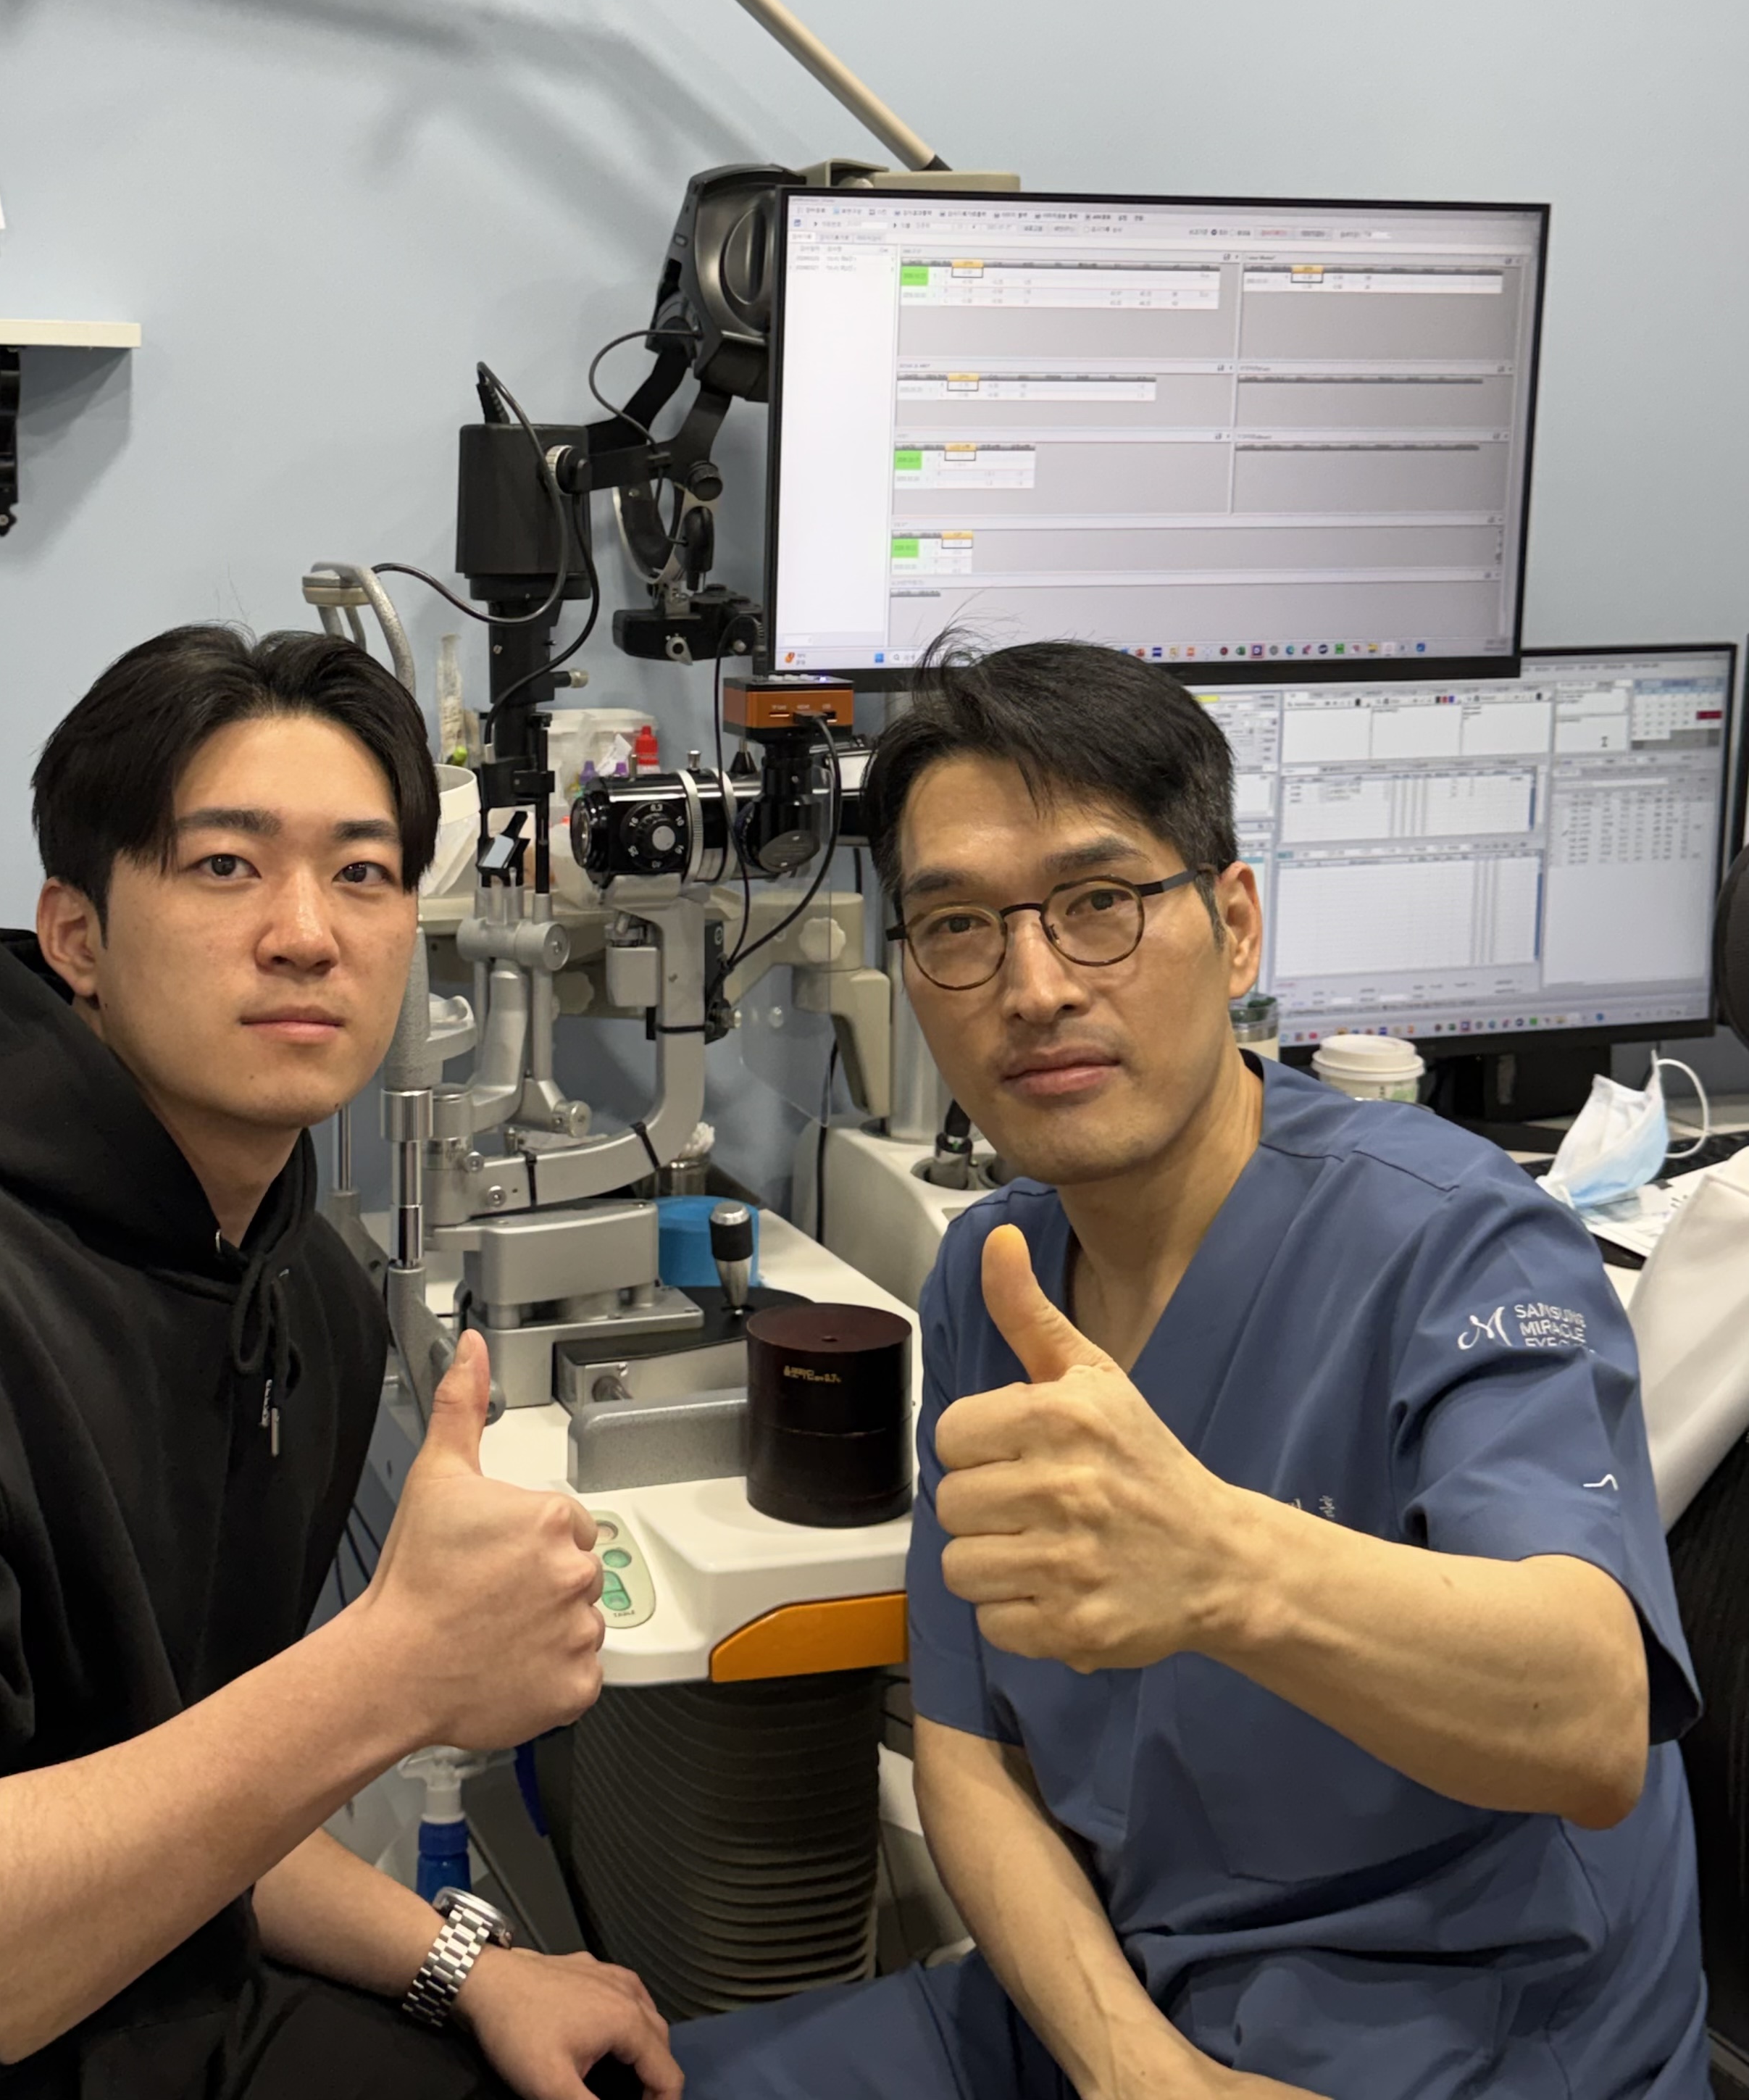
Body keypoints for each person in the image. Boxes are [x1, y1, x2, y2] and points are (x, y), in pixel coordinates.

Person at [0, 624, 679, 2100]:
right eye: (225, 865)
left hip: (111, 1989)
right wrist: (388, 1674)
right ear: (77, 936)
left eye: (362, 873)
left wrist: (467, 1962)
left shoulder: (297, 1288)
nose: (307, 931)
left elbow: (173, 1783)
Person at [675, 638, 1705, 2099]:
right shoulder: (993, 1280)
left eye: (1099, 903)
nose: (1033, 985)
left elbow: (1593, 1718)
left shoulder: (1455, 1244)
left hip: (1463, 2044)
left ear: (1234, 928)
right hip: (1120, 2016)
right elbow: (970, 1757)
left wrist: (1221, 1566)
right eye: (958, 926)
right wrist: (1132, 2069)